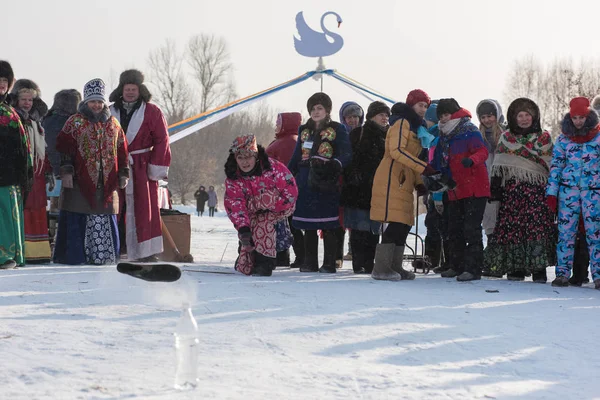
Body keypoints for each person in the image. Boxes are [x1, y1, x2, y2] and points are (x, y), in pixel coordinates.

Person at [53, 78, 129, 265]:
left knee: (103, 216)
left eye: (99, 101)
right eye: (92, 101)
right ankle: (76, 256)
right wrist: (67, 172)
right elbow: (63, 148)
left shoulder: (114, 124)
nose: (96, 105)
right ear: (86, 102)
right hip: (79, 181)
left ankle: (101, 256)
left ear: (104, 103)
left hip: (106, 181)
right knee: (78, 215)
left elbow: (122, 150)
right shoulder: (75, 122)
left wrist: (123, 173)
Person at [484, 98, 555, 282]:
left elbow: (551, 166)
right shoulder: (507, 138)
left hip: (538, 194)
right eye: (520, 116)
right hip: (513, 193)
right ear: (513, 118)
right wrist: (495, 188)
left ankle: (538, 268)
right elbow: (499, 165)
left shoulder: (544, 138)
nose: (523, 119)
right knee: (512, 229)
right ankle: (516, 267)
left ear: (534, 117)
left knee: (536, 229)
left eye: (527, 115)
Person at [370, 89, 434, 281]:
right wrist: (424, 168)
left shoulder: (417, 127)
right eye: (420, 105)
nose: (423, 109)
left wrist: (419, 182)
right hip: (391, 177)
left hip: (404, 179)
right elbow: (396, 151)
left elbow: (412, 157)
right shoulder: (402, 122)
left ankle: (394, 266)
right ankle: (381, 267)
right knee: (396, 223)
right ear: (411, 104)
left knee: (404, 223)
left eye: (425, 106)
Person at [109, 69, 171, 262]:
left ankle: (146, 251)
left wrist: (155, 165)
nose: (130, 92)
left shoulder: (152, 111)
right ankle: (115, 247)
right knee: (115, 206)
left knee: (144, 208)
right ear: (121, 89)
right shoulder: (109, 111)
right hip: (115, 166)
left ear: (139, 90)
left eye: (133, 89)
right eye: (127, 88)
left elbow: (162, 139)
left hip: (141, 167)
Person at [288, 92, 352, 273]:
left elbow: (346, 153)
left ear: (327, 110)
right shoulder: (304, 130)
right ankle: (309, 262)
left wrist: (334, 164)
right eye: (313, 109)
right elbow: (296, 156)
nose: (316, 112)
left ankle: (329, 263)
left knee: (328, 224)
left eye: (320, 108)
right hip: (305, 182)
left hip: (326, 181)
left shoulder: (337, 129)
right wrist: (286, 175)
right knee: (308, 224)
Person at [430, 99, 490, 281]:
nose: (444, 118)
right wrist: (436, 174)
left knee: (471, 228)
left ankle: (473, 268)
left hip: (474, 187)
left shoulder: (468, 130)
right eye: (441, 115)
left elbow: (482, 151)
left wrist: (471, 160)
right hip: (455, 188)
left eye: (446, 114)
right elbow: (441, 161)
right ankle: (456, 265)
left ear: (455, 113)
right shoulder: (443, 136)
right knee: (454, 228)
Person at [224, 134, 298, 276]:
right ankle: (247, 253)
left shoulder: (273, 168)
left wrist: (269, 204)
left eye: (249, 157)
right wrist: (243, 229)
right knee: (250, 226)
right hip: (250, 211)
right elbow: (235, 205)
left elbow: (291, 191)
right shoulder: (233, 178)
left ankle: (265, 261)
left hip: (278, 206)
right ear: (235, 159)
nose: (245, 162)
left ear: (256, 156)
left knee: (263, 224)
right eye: (240, 158)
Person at [547, 97, 600, 289]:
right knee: (565, 234)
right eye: (575, 117)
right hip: (568, 192)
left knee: (596, 234)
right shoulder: (563, 139)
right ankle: (562, 274)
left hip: (593, 193)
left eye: (582, 117)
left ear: (589, 116)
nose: (578, 121)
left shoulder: (598, 137)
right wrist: (552, 193)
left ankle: (598, 275)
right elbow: (556, 166)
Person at [341, 101, 390, 273]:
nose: (384, 118)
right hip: (358, 188)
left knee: (374, 228)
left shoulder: (388, 136)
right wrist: (353, 175)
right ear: (371, 116)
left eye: (386, 115)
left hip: (378, 189)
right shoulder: (359, 133)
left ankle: (369, 264)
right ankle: (359, 263)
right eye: (381, 114)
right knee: (359, 227)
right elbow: (347, 159)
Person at [10, 79, 53, 263]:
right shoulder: (13, 120)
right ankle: (22, 250)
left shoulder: (36, 123)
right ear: (16, 100)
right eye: (23, 99)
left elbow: (44, 149)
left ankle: (38, 252)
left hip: (37, 172)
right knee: (22, 207)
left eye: (30, 100)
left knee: (37, 208)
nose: (27, 103)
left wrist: (49, 171)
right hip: (21, 171)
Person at [0, 60, 31, 269]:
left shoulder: (9, 112)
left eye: (5, 80)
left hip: (9, 174)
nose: (2, 84)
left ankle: (9, 256)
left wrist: (25, 173)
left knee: (7, 214)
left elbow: (23, 146)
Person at [42, 89, 82, 242]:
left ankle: (51, 237)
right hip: (70, 170)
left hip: (50, 170)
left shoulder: (47, 119)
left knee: (54, 206)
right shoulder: (76, 121)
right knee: (68, 206)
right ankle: (65, 239)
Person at [266, 112, 303, 267]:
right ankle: (289, 255)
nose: (276, 125)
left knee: (287, 225)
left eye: (279, 122)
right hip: (288, 190)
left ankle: (293, 256)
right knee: (289, 224)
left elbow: (282, 168)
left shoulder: (287, 143)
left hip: (282, 191)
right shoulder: (293, 141)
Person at [475, 99, 506, 277]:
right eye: (484, 117)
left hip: (500, 182)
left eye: (490, 116)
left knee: (500, 222)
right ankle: (492, 261)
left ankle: (498, 262)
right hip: (483, 182)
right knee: (488, 222)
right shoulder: (478, 135)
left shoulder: (504, 135)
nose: (487, 120)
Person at [337, 101, 365, 265]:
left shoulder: (364, 134)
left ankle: (353, 250)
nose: (353, 120)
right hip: (342, 180)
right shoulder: (340, 134)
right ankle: (338, 254)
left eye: (356, 116)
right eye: (350, 117)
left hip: (358, 181)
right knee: (341, 218)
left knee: (356, 219)